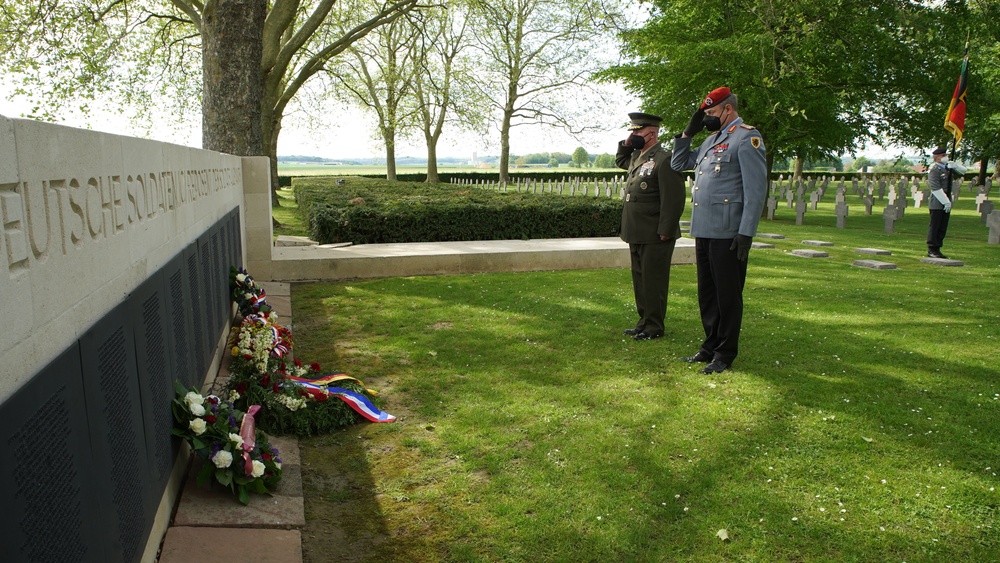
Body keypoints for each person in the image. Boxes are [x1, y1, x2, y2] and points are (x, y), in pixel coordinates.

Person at [670, 86, 766, 374]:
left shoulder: (747, 137)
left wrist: (746, 232)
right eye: (705, 114)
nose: (708, 118)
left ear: (728, 109)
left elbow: (756, 189)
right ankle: (710, 345)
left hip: (729, 231)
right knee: (708, 293)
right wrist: (687, 134)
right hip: (705, 229)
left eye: (711, 113)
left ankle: (725, 352)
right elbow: (679, 163)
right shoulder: (713, 139)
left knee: (727, 294)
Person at [616, 112, 686, 341]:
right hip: (636, 229)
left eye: (637, 131)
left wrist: (666, 229)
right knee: (640, 279)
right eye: (632, 131)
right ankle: (643, 321)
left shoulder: (664, 158)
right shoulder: (637, 156)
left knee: (653, 280)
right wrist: (627, 143)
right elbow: (620, 161)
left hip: (656, 232)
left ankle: (654, 326)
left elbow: (673, 198)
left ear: (652, 133)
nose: (633, 134)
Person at [926, 147, 966, 258]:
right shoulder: (934, 170)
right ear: (937, 158)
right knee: (935, 225)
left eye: (945, 155)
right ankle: (932, 249)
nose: (945, 157)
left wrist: (955, 165)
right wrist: (945, 202)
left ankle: (938, 248)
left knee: (943, 226)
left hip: (947, 199)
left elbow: (964, 171)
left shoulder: (947, 168)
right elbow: (935, 187)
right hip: (938, 201)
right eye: (943, 155)